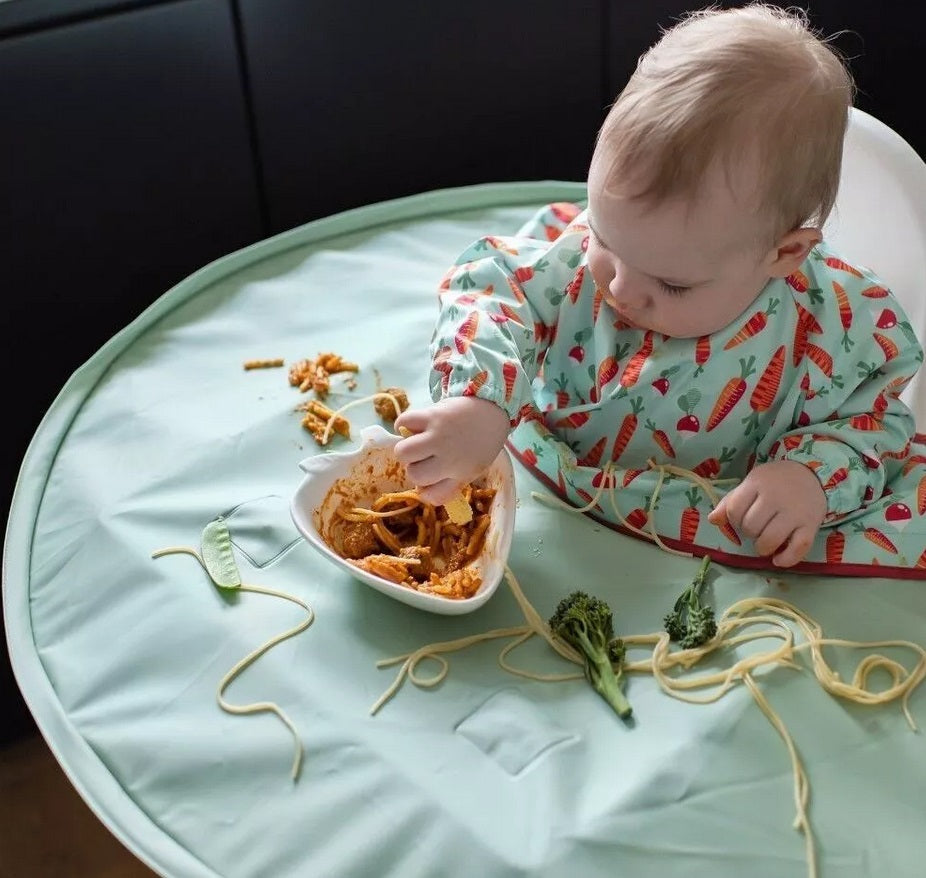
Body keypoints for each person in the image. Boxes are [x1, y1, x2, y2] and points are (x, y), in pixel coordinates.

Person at [394, 3, 926, 575]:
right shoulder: (580, 259)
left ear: (785, 253)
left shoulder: (829, 330)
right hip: (547, 481)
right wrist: (478, 399)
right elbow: (494, 295)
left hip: (708, 533)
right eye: (606, 239)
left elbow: (873, 425)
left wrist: (810, 478)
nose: (619, 288)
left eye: (673, 284)